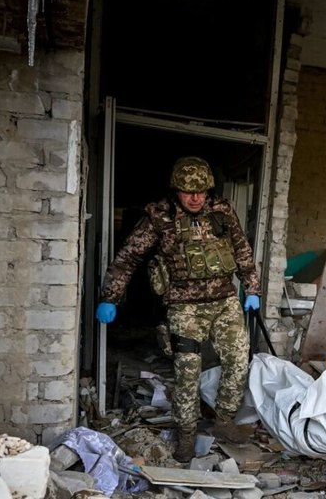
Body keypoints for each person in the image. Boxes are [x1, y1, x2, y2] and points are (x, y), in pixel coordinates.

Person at [95, 156, 261, 463]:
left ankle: (223, 421)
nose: (196, 198)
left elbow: (241, 249)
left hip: (224, 301)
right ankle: (186, 435)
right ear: (176, 190)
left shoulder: (222, 211)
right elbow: (128, 257)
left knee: (238, 362)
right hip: (184, 306)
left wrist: (252, 287)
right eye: (188, 192)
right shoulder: (160, 217)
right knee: (187, 372)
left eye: (201, 191)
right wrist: (111, 296)